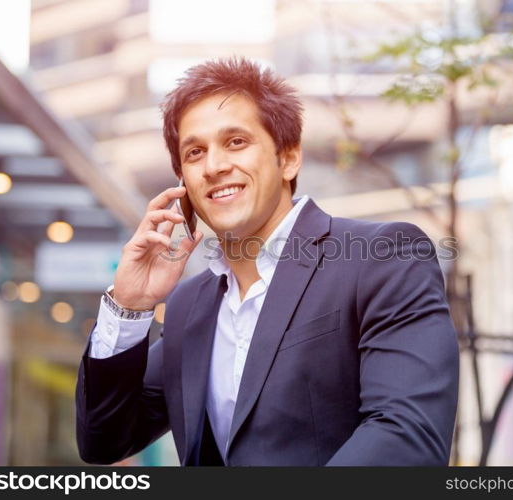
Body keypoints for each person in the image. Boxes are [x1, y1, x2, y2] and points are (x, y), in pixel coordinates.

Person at [76, 57, 459, 466]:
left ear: (289, 158)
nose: (215, 166)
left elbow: (404, 436)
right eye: (195, 152)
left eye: (236, 142)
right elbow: (105, 442)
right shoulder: (190, 305)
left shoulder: (383, 258)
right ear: (182, 181)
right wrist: (129, 306)